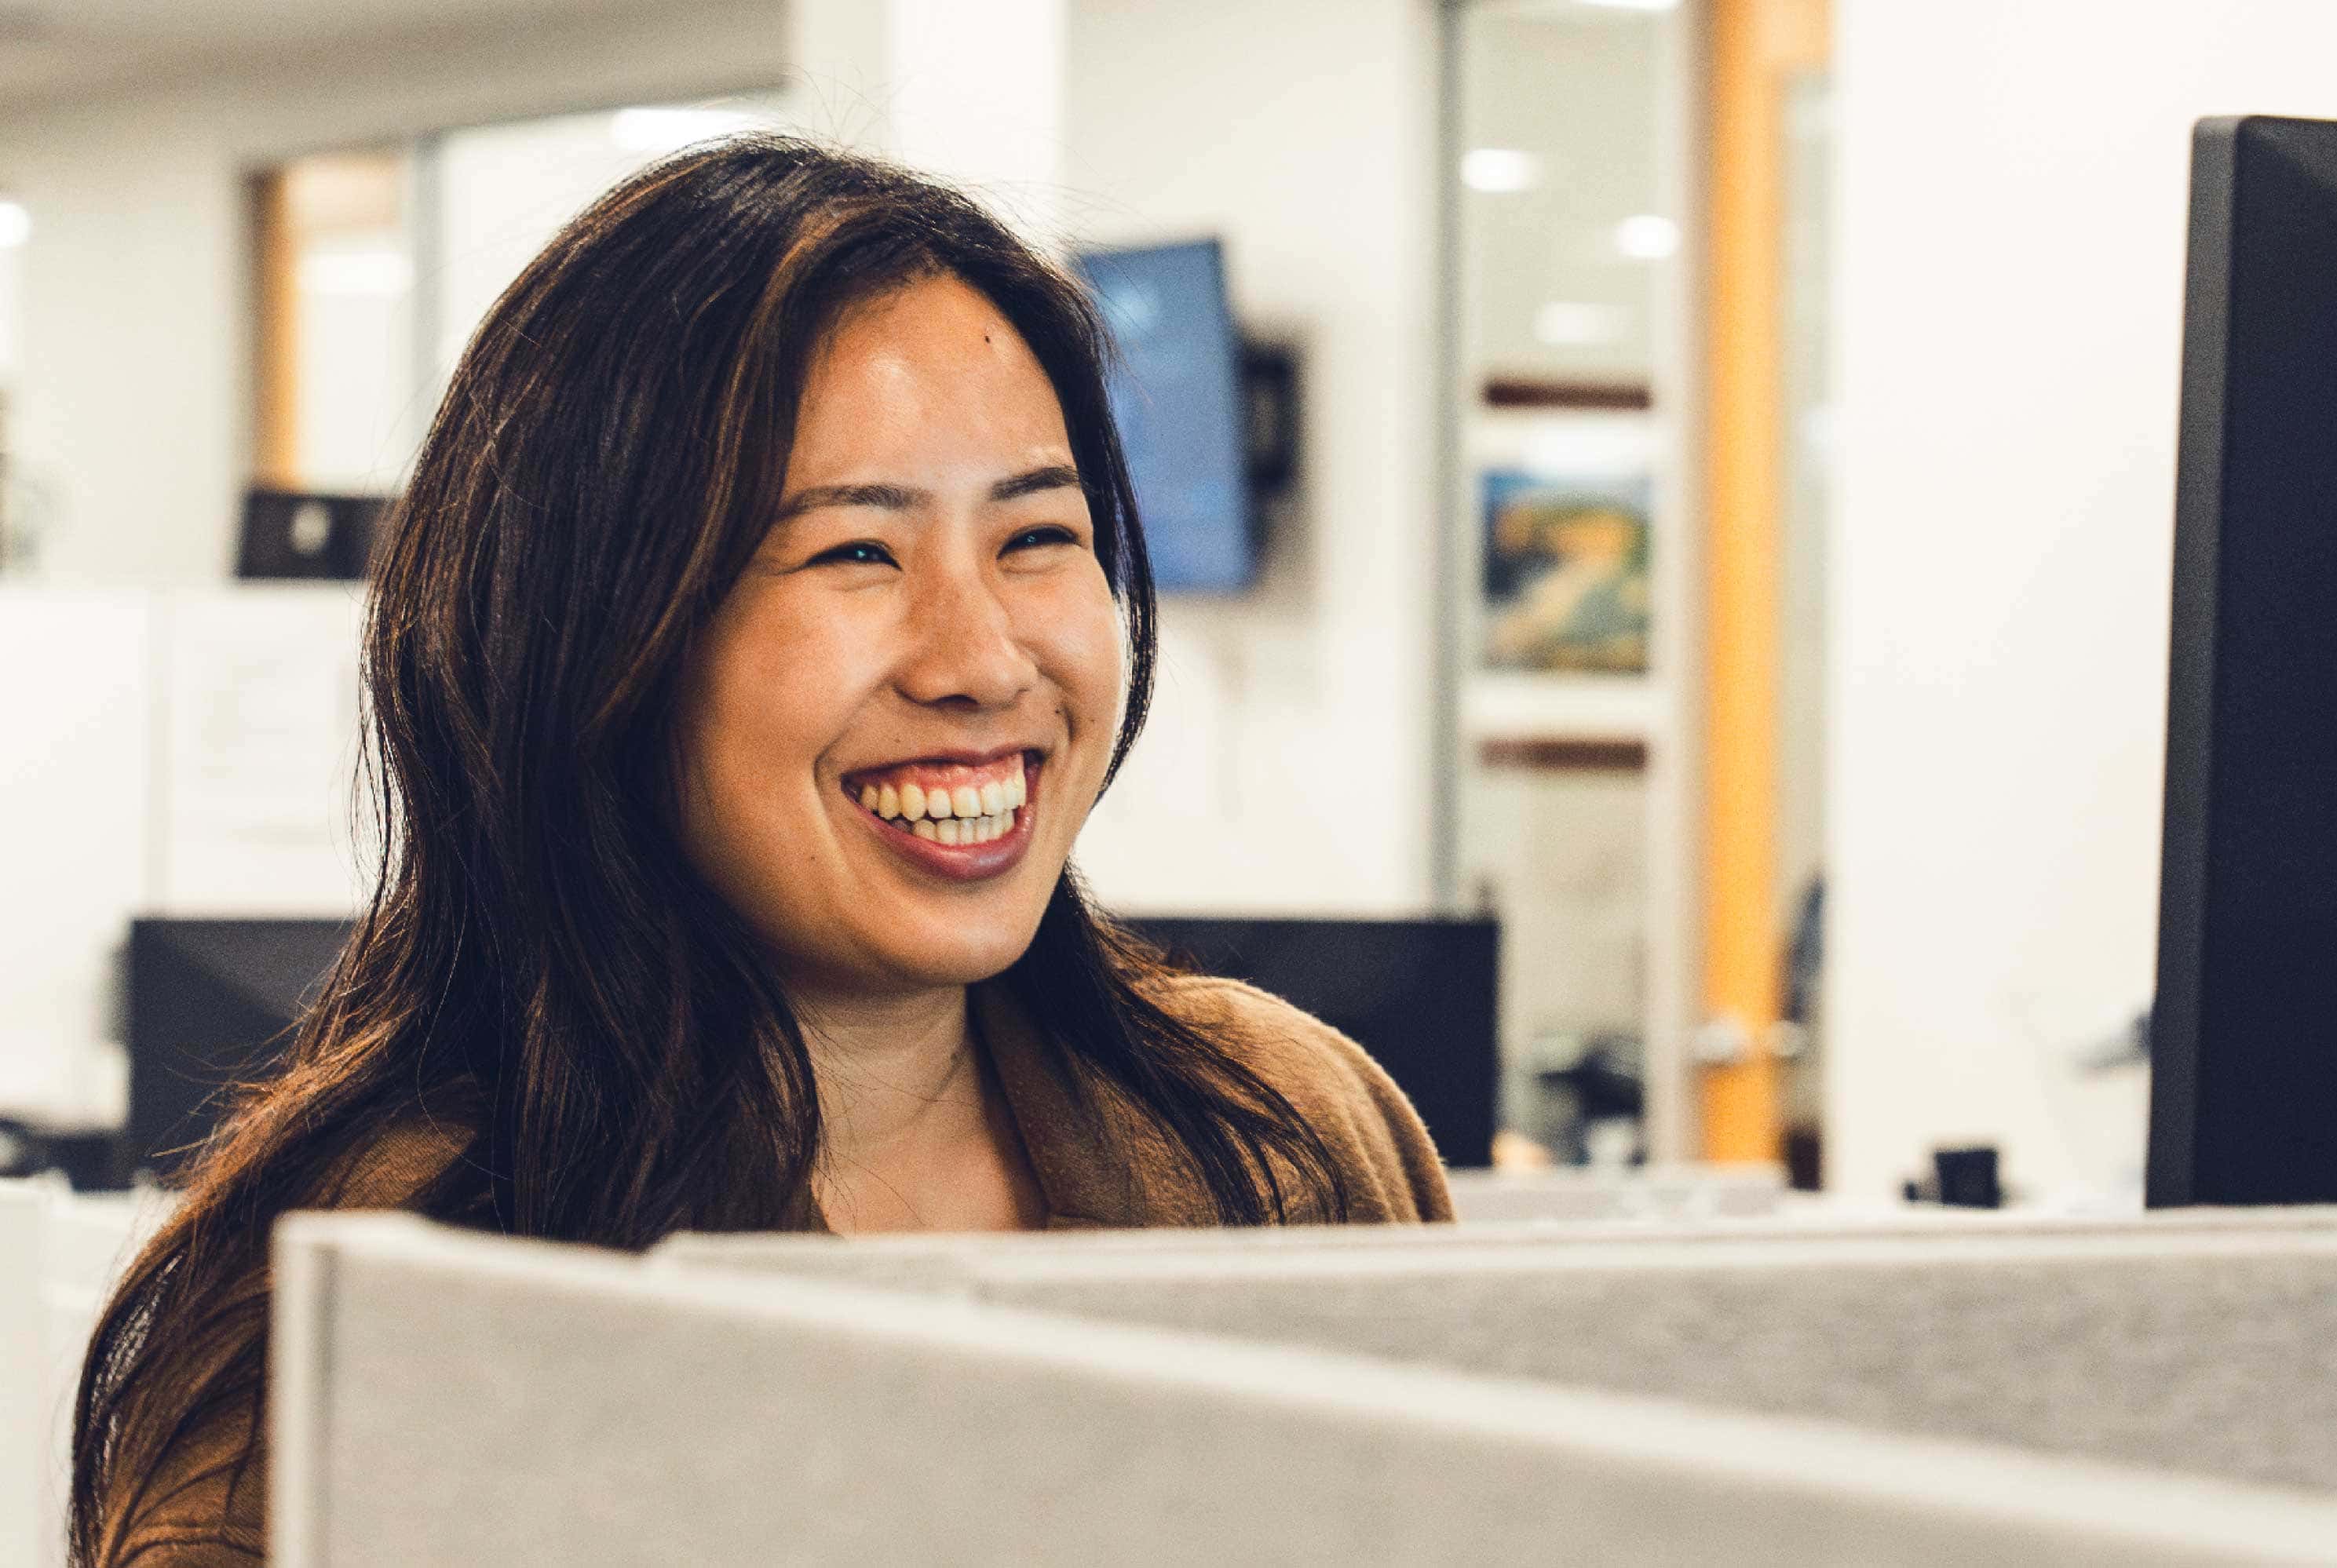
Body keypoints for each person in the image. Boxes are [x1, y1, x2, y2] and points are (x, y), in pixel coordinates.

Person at [69, 137, 1452, 1566]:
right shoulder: (386, 1266)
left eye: (1040, 535)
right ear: (603, 640)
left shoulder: (1276, 1133)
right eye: (857, 552)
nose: (982, 657)